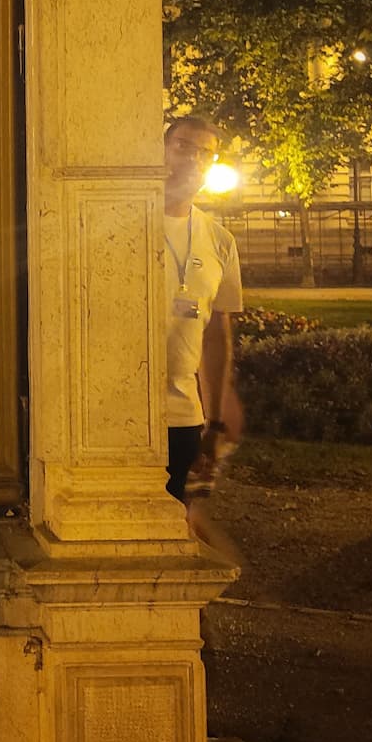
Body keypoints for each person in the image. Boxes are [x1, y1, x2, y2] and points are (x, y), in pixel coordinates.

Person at [162, 115, 243, 508]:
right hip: (118, 417)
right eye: (182, 147)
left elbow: (216, 336)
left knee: (176, 527)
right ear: (160, 150)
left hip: (182, 418)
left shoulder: (219, 241)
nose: (193, 160)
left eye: (204, 153)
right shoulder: (122, 224)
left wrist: (214, 423)